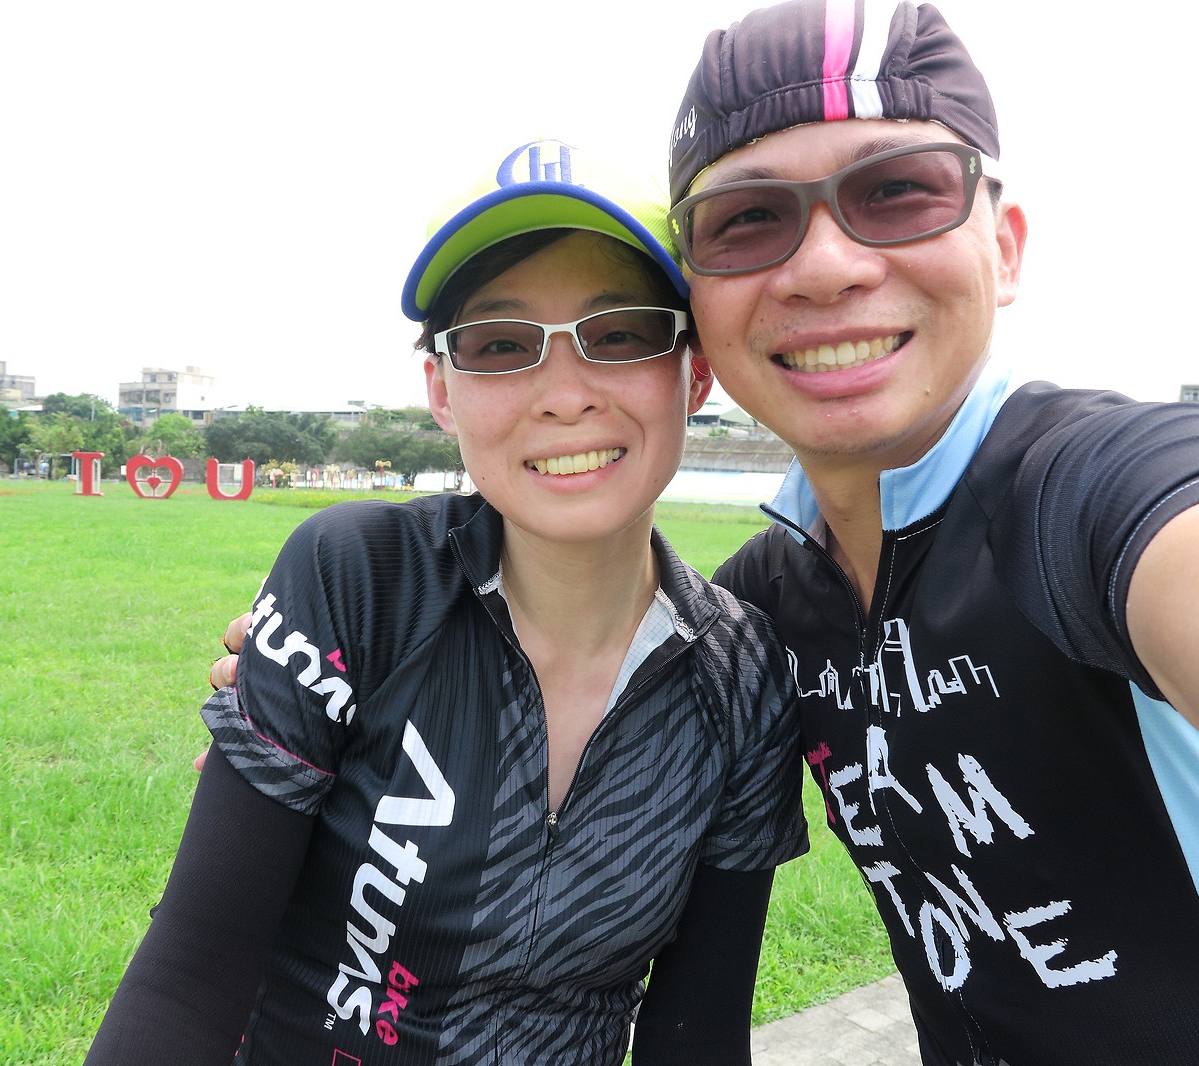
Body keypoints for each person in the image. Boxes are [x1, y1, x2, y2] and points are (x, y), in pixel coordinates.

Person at [656, 0, 1199, 1062]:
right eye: (747, 219)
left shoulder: (1093, 495)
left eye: (896, 191)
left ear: (1002, 249)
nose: (823, 266)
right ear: (698, 305)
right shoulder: (764, 601)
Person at [85, 139, 809, 1065]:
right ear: (440, 389)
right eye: (499, 345)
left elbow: (696, 1034)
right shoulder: (360, 579)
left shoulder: (743, 676)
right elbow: (191, 976)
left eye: (620, 333)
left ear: (693, 372)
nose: (564, 396)